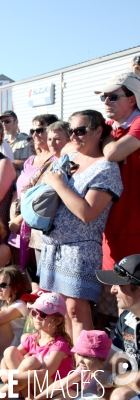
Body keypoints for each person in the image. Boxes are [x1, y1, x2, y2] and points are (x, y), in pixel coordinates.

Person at [39, 110, 123, 342]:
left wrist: (58, 183)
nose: (74, 136)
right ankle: (70, 366)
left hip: (80, 250)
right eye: (71, 131)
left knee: (77, 310)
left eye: (80, 130)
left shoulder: (107, 168)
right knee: (61, 309)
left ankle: (86, 370)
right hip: (52, 245)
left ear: (98, 131)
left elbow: (88, 213)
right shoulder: (71, 159)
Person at [95, 72, 140, 304]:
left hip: (134, 226)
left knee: (131, 295)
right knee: (113, 297)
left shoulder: (139, 123)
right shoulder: (112, 128)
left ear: (132, 99)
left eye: (113, 97)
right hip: (111, 224)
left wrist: (104, 136)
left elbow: (113, 154)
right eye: (104, 96)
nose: (106, 102)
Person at [23, 121, 70, 288]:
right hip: (40, 235)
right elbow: (27, 187)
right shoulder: (49, 164)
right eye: (49, 139)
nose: (51, 143)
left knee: (61, 288)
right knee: (44, 284)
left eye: (57, 139)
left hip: (62, 236)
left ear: (69, 139)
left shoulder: (72, 164)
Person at [0, 292, 74, 397]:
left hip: (50, 390)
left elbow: (44, 374)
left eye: (43, 314)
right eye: (34, 313)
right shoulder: (34, 338)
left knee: (31, 362)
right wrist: (4, 374)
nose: (37, 317)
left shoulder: (59, 345)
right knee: (10, 350)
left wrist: (13, 378)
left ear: (58, 321)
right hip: (30, 385)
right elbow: (6, 358)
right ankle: (27, 396)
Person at [7, 115, 56, 268]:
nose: (35, 134)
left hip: (36, 225)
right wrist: (12, 216)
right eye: (32, 130)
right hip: (17, 223)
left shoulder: (56, 160)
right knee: (20, 274)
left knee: (35, 273)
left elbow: (44, 197)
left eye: (40, 130)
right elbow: (18, 190)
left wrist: (19, 219)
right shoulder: (30, 159)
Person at [92, 254, 140, 399]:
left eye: (119, 285)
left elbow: (137, 382)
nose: (112, 290)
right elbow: (108, 370)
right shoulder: (126, 318)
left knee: (120, 395)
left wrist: (113, 380)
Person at [34, 330, 111, 400]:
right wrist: (37, 399)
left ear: (102, 359)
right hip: (84, 396)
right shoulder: (84, 368)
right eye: (78, 354)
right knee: (63, 394)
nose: (80, 360)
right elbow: (61, 384)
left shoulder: (102, 374)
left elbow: (87, 393)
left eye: (86, 357)